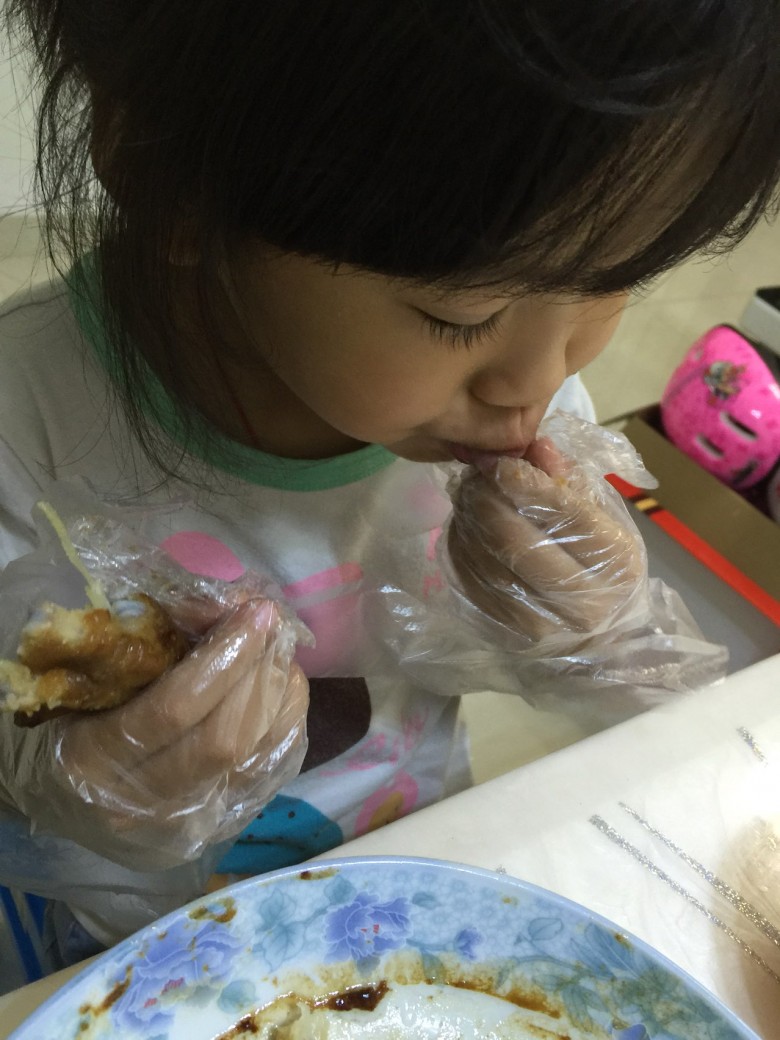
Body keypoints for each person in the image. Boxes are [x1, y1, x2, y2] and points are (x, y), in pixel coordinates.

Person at [0, 0, 778, 971]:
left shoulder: (508, 401)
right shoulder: (25, 424)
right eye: (463, 315)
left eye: (617, 276)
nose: (539, 381)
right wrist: (75, 778)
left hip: (411, 885)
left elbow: (648, 711)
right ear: (176, 180)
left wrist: (600, 631)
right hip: (125, 950)